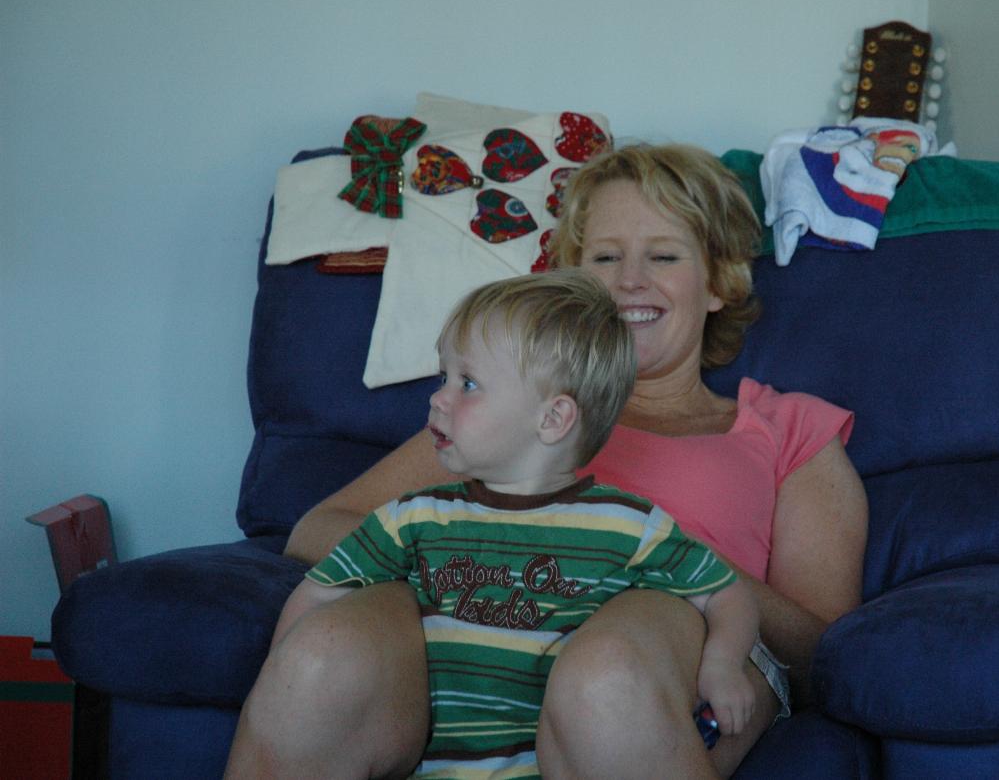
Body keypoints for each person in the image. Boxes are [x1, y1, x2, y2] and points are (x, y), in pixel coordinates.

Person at [226, 143, 869, 780]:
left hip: (677, 647)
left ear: (719, 282)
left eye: (664, 255)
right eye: (605, 256)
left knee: (606, 673)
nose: (629, 280)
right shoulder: (508, 414)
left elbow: (829, 656)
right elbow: (318, 529)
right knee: (320, 655)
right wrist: (488, 559)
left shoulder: (790, 429)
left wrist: (649, 549)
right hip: (477, 652)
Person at [248, 269, 758, 779]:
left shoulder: (627, 527)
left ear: (553, 419)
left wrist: (722, 665)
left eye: (467, 383)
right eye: (442, 377)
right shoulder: (414, 518)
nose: (437, 398)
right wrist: (280, 681)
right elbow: (318, 594)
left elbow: (725, 595)